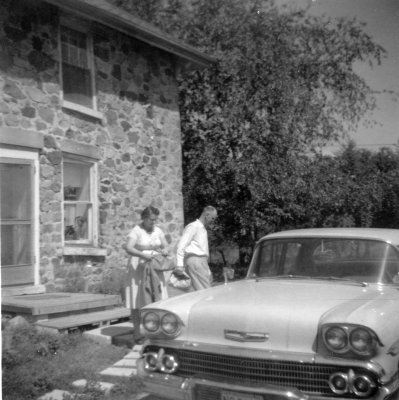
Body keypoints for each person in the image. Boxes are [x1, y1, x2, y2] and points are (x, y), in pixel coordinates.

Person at [125, 206, 170, 343]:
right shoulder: (136, 231)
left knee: (157, 296)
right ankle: (138, 333)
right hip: (138, 268)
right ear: (144, 218)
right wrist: (143, 255)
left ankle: (157, 330)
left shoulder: (158, 230)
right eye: (151, 220)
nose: (153, 222)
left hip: (155, 267)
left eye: (155, 220)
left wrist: (165, 251)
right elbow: (129, 248)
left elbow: (166, 245)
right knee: (137, 299)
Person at [176, 206, 217, 290]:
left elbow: (203, 252)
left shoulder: (202, 229)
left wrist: (208, 271)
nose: (213, 221)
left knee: (200, 291)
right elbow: (181, 245)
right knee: (206, 292)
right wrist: (179, 265)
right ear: (207, 214)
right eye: (213, 218)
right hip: (195, 262)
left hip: (201, 262)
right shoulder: (194, 226)